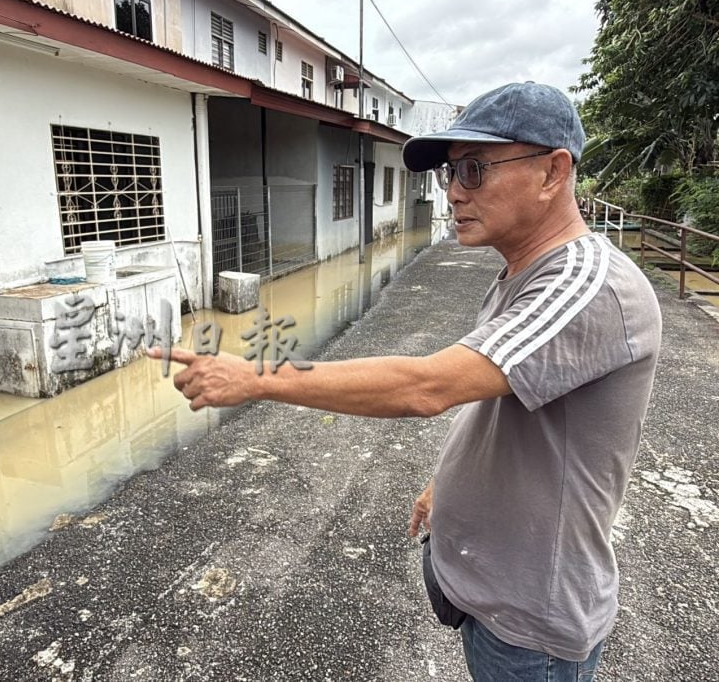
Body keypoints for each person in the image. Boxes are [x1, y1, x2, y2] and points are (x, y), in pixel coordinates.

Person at [148, 82, 662, 682]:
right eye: (450, 173)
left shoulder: (584, 285)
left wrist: (257, 376)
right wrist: (448, 483)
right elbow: (501, 395)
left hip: (531, 622)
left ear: (553, 172)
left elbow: (427, 386)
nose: (454, 193)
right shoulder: (523, 272)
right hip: (487, 586)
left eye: (474, 170)